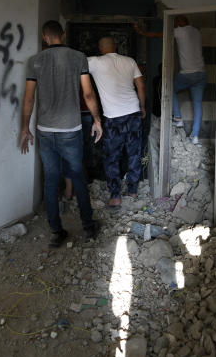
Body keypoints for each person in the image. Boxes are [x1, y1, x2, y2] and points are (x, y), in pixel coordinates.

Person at [20, 21, 102, 247]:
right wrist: (97, 119)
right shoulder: (78, 57)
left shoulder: (35, 62)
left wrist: (25, 128)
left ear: (45, 37)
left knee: (51, 179)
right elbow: (88, 94)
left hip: (45, 130)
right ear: (63, 35)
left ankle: (57, 231)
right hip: (70, 130)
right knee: (77, 176)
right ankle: (88, 226)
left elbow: (29, 98)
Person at [87, 36, 147, 207]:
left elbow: (73, 64)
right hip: (133, 112)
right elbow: (141, 86)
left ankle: (115, 196)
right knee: (134, 153)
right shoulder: (130, 61)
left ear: (100, 47)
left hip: (113, 117)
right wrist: (142, 106)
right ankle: (133, 191)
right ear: (116, 47)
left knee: (112, 157)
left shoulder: (94, 61)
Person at [135, 15, 206, 144]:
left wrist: (141, 32)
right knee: (198, 104)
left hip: (187, 74)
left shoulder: (179, 31)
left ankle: (178, 117)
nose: (174, 25)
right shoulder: (196, 31)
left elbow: (157, 34)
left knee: (168, 87)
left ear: (179, 22)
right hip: (201, 74)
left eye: (175, 23)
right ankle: (195, 136)